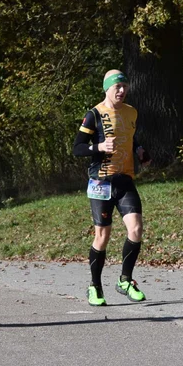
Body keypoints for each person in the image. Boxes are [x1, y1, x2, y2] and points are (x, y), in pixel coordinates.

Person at [73, 70, 151, 307]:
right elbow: (77, 148)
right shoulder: (94, 114)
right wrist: (98, 147)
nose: (121, 91)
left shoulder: (131, 112)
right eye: (117, 87)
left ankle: (125, 280)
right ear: (107, 88)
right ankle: (94, 286)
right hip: (101, 182)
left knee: (135, 229)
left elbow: (130, 137)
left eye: (125, 86)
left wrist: (140, 150)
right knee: (102, 236)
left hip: (125, 180)